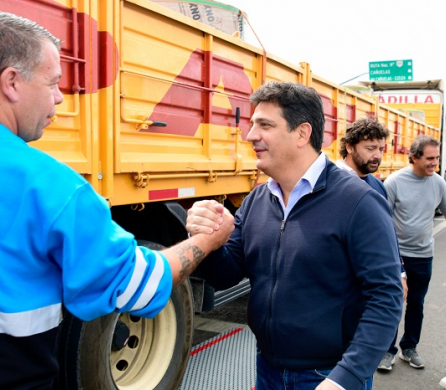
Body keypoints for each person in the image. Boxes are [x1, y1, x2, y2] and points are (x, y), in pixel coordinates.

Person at [0, 11, 234, 389]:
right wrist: (207, 241)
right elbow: (137, 287)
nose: (60, 98)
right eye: (53, 83)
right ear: (11, 82)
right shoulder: (51, 186)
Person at [186, 81, 403, 390]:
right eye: (251, 125)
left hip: (328, 375)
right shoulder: (257, 199)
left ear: (302, 133)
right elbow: (227, 274)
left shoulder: (359, 202)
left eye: (265, 125)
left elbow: (386, 297)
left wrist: (345, 379)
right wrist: (207, 239)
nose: (250, 136)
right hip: (267, 368)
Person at [336, 118, 409, 371]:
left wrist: (399, 272)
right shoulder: (330, 182)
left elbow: (388, 234)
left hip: (367, 284)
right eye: (370, 148)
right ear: (349, 146)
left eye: (380, 148)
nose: (377, 155)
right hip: (337, 289)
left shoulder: (377, 184)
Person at [383, 134, 446, 370]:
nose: (434, 163)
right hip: (396, 256)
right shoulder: (394, 182)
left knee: (416, 304)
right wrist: (394, 262)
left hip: (423, 256)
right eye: (430, 158)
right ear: (414, 157)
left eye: (437, 158)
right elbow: (382, 222)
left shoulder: (439, 182)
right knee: (392, 302)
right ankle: (386, 351)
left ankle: (409, 348)